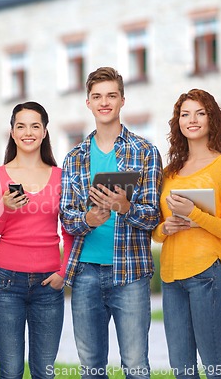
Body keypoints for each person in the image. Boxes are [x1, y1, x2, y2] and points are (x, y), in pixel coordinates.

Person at [60, 66, 163, 379]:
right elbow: (66, 216)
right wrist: (88, 219)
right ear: (88, 103)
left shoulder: (146, 152)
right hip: (85, 274)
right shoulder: (74, 157)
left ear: (122, 101)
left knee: (135, 365)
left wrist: (126, 206)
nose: (104, 102)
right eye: (97, 96)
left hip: (130, 272)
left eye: (111, 95)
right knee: (91, 368)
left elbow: (153, 217)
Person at [152, 89, 221, 379]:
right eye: (185, 114)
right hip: (171, 278)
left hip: (208, 276)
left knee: (214, 367)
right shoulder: (168, 173)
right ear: (177, 121)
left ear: (212, 119)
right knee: (182, 370)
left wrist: (195, 214)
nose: (191, 120)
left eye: (200, 113)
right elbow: (155, 231)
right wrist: (165, 228)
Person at [0, 102, 73, 379]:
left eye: (35, 126)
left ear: (45, 132)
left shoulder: (61, 177)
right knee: (10, 372)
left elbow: (69, 231)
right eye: (21, 126)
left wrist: (63, 273)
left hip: (49, 284)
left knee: (44, 372)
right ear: (12, 132)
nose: (28, 132)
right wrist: (5, 209)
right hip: (6, 282)